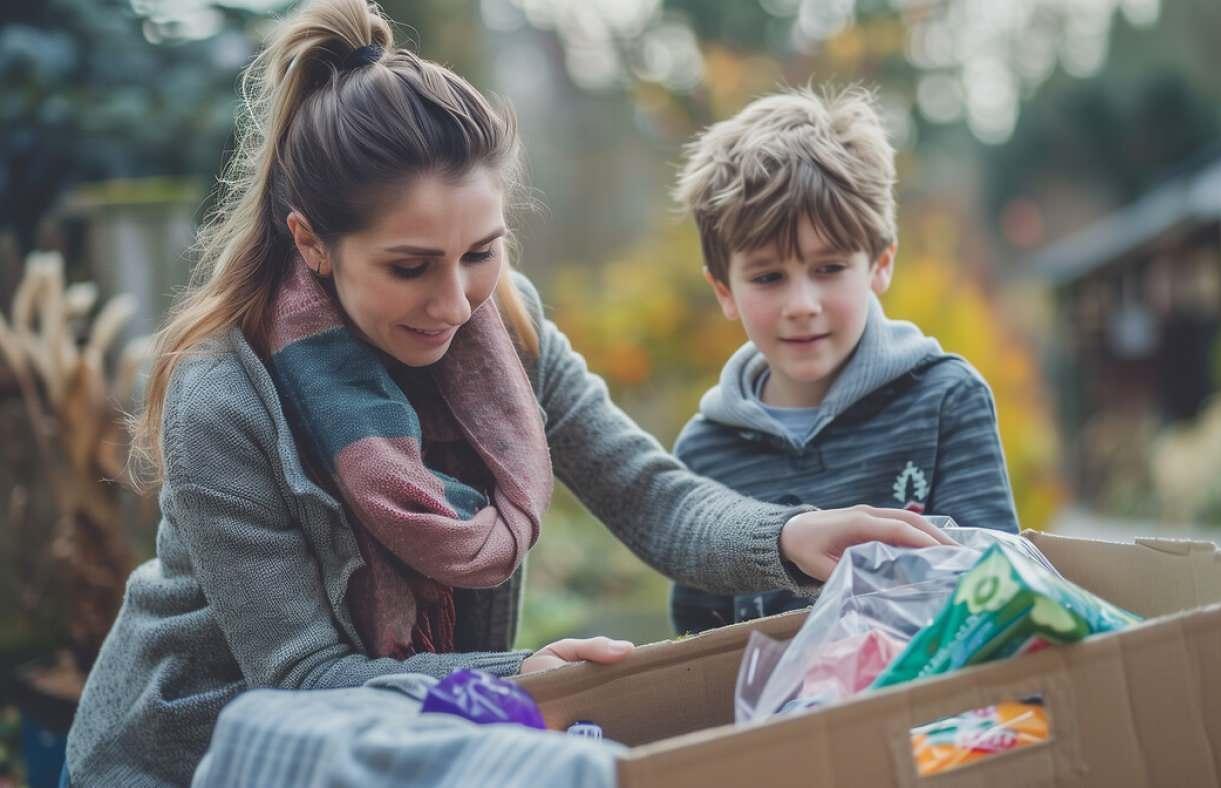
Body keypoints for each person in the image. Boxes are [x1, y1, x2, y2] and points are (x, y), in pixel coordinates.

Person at [63, 2, 951, 785]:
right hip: (197, 758)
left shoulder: (511, 331)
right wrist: (518, 675)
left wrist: (792, 534)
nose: (454, 303)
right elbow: (300, 682)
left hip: (418, 739)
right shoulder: (223, 397)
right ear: (312, 242)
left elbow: (648, 495)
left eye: (480, 253)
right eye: (410, 267)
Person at [668, 86, 1019, 636]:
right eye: (768, 277)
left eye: (828, 268)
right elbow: (695, 643)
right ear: (724, 290)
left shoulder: (946, 400)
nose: (802, 306)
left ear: (880, 264)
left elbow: (997, 589)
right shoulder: (703, 452)